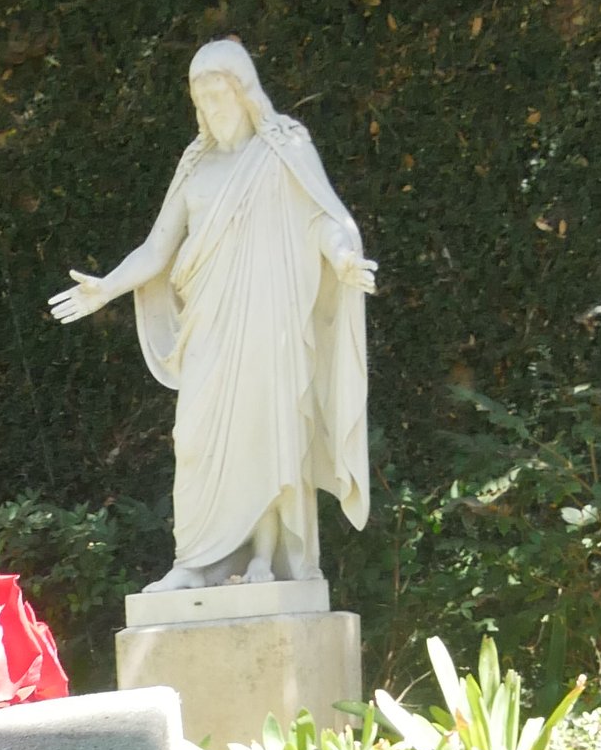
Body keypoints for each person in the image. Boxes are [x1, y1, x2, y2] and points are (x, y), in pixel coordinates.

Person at [49, 38, 376, 594]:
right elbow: (158, 248)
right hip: (209, 322)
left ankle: (264, 558)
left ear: (242, 90)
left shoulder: (283, 148)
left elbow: (321, 218)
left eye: (217, 91)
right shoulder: (196, 163)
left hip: (269, 319)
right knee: (193, 438)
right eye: (200, 96)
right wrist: (106, 288)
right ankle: (193, 561)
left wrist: (342, 259)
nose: (210, 104)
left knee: (266, 430)